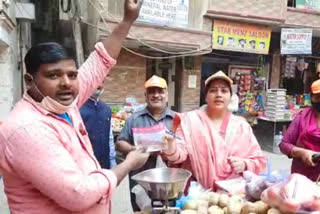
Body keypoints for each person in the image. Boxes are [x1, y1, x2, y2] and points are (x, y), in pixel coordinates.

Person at [0, 0, 150, 213]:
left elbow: (100, 62)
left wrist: (127, 20)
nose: (66, 83)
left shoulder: (62, 104)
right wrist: (128, 164)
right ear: (29, 80)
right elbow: (78, 194)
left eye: (72, 75)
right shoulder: (26, 128)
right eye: (53, 75)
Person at [162, 71, 266, 190]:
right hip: (197, 194)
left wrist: (245, 164)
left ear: (231, 97)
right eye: (213, 90)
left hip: (232, 196)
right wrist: (170, 146)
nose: (218, 95)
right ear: (206, 97)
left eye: (224, 91)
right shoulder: (190, 121)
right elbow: (179, 156)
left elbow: (260, 161)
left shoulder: (241, 126)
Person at [116, 75, 175, 211]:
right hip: (140, 177)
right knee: (141, 209)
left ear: (166, 94)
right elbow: (120, 143)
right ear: (146, 95)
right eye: (151, 92)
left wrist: (171, 150)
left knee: (167, 210)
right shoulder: (134, 119)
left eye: (160, 91)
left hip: (168, 179)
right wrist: (137, 150)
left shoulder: (176, 119)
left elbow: (183, 147)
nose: (156, 95)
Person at [280, 79, 320, 181]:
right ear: (311, 97)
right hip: (301, 178)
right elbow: (284, 144)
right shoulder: (303, 117)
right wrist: (301, 153)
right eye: (318, 97)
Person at [80, 83, 116, 169]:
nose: (99, 85)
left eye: (103, 81)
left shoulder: (106, 109)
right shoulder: (77, 109)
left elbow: (110, 138)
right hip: (86, 166)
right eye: (97, 81)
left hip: (105, 165)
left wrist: (112, 161)